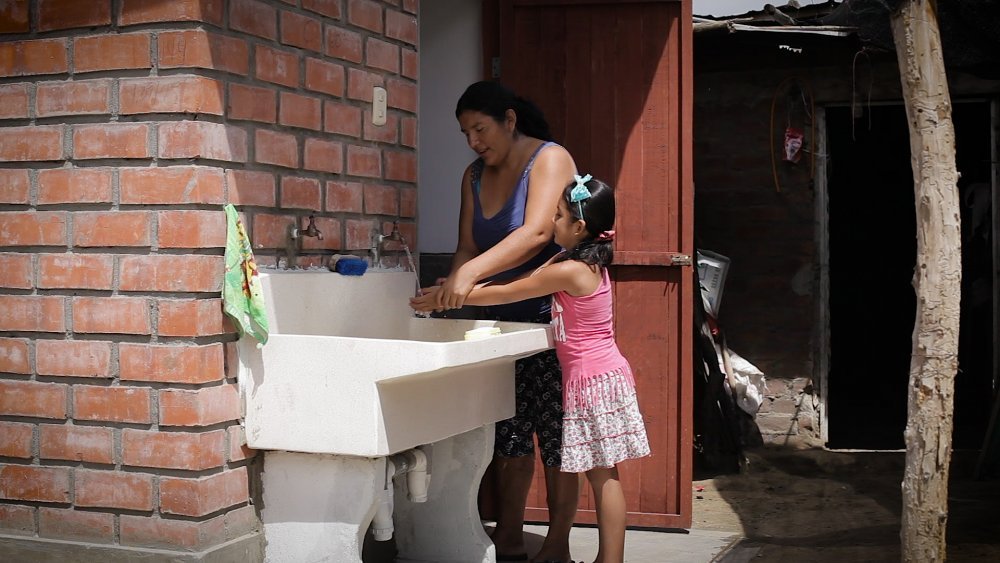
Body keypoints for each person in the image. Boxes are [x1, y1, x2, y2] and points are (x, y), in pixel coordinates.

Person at [414, 175, 651, 563]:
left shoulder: (573, 270)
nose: (550, 222)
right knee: (603, 474)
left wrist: (451, 295)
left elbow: (511, 293)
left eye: (557, 215)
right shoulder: (573, 260)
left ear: (578, 227)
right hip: (599, 376)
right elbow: (518, 280)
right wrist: (458, 283)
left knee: (603, 477)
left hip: (593, 381)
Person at [438, 80, 580, 563]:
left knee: (559, 439)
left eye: (480, 128)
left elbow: (538, 231)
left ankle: (558, 546)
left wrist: (470, 276)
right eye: (465, 133)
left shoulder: (551, 159)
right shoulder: (473, 175)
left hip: (551, 323)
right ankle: (511, 540)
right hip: (496, 328)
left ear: (509, 120)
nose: (474, 141)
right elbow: (467, 247)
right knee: (509, 435)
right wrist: (449, 286)